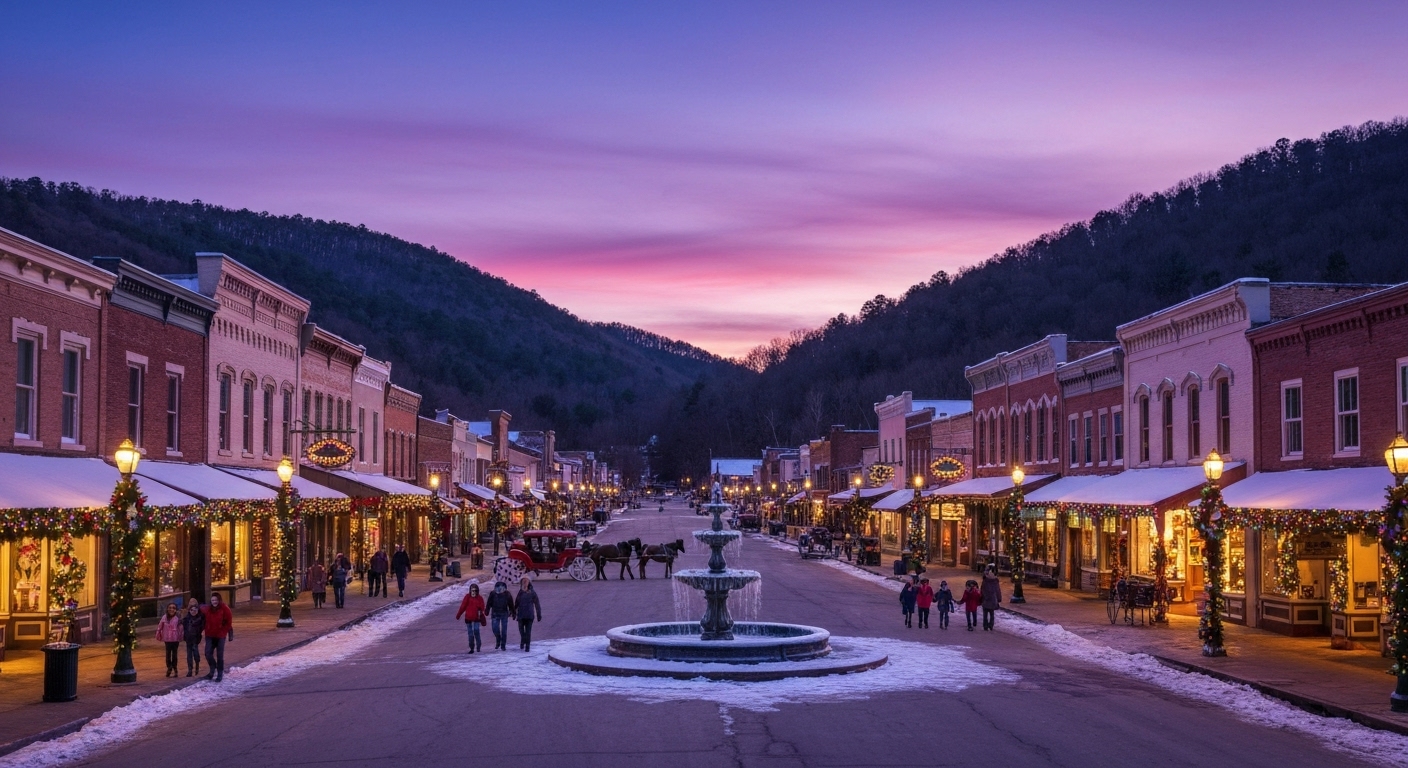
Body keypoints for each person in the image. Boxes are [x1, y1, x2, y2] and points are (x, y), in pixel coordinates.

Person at [202, 592, 233, 682]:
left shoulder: (225, 608)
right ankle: (212, 669)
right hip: (210, 635)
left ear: (219, 600)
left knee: (220, 655)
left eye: (216, 600)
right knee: (208, 653)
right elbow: (199, 611)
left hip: (220, 636)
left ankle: (219, 673)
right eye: (212, 600)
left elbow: (228, 622)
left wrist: (223, 631)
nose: (214, 602)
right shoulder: (208, 609)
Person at [455, 583, 487, 653]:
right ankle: (472, 648)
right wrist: (458, 615)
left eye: (475, 591)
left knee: (476, 631)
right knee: (470, 634)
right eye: (472, 591)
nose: (473, 592)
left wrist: (479, 608)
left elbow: (482, 607)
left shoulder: (479, 598)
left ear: (477, 591)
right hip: (468, 618)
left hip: (476, 618)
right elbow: (463, 606)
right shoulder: (467, 597)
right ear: (470, 591)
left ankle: (478, 647)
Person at [485, 581, 515, 650]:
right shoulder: (492, 594)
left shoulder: (507, 594)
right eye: (497, 589)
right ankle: (498, 639)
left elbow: (511, 604)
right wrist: (487, 610)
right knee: (495, 629)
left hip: (504, 613)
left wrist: (513, 612)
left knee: (504, 630)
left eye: (501, 589)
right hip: (495, 614)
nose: (499, 591)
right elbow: (489, 602)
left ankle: (503, 645)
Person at [515, 577, 542, 651]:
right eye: (523, 581)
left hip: (529, 615)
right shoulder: (520, 592)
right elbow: (516, 603)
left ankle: (527, 646)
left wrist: (539, 614)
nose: (524, 583)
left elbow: (537, 604)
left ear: (529, 583)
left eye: (526, 581)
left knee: (528, 631)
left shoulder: (532, 592)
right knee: (521, 630)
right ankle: (523, 640)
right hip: (521, 615)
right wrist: (513, 612)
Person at [156, 602, 183, 677]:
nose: (171, 609)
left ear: (176, 610)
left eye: (173, 608)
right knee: (168, 654)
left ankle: (175, 668)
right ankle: (169, 667)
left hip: (175, 638)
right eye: (170, 608)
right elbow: (160, 626)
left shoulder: (178, 618)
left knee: (174, 654)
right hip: (167, 639)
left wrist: (180, 637)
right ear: (167, 609)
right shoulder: (164, 617)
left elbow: (180, 628)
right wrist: (158, 635)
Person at [181, 600, 205, 676]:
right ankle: (190, 670)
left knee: (195, 653)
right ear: (189, 610)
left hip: (195, 639)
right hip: (188, 639)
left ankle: (197, 665)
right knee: (189, 655)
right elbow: (182, 626)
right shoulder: (186, 619)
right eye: (191, 610)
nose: (193, 611)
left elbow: (202, 627)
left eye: (195, 610)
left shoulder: (200, 618)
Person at [980, 564, 1003, 631]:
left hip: (986, 599)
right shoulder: (995, 581)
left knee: (985, 614)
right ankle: (991, 625)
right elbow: (998, 590)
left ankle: (985, 625)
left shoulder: (985, 580)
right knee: (991, 613)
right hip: (993, 599)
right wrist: (998, 598)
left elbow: (982, 590)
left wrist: (982, 597)